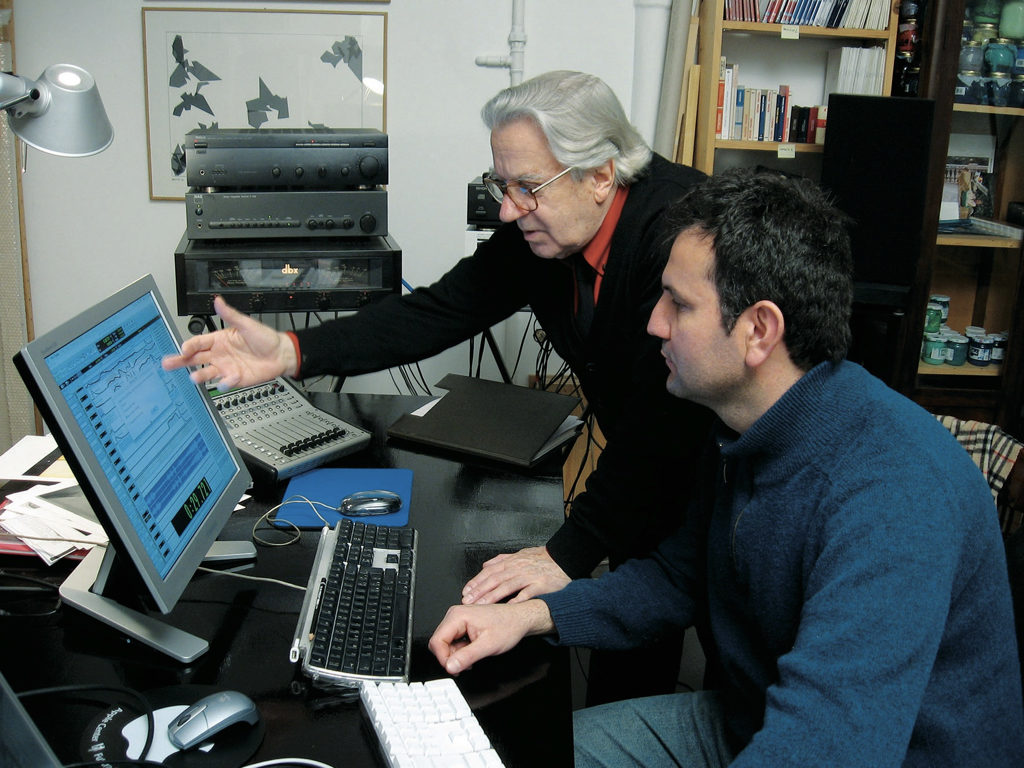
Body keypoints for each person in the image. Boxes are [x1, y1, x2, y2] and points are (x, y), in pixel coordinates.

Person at [428, 168, 1024, 767]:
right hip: (750, 719)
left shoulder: (892, 496)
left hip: (845, 750)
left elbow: (825, 748)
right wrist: (533, 616)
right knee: (517, 754)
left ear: (758, 330)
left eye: (678, 304)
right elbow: (679, 578)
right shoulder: (742, 425)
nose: (653, 322)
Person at [163, 70, 714, 703]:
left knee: (695, 660)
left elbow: (664, 432)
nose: (508, 210)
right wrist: (294, 349)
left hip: (705, 472)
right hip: (647, 475)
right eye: (501, 185)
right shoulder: (546, 231)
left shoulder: (679, 233)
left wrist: (568, 551)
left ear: (600, 174)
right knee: (625, 645)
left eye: (528, 188)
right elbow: (438, 310)